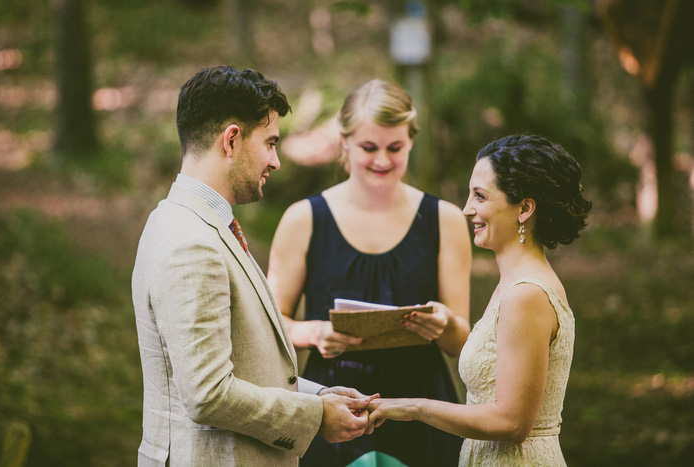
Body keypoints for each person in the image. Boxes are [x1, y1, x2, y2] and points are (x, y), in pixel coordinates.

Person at [131, 66, 377, 467]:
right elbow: (208, 394)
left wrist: (318, 396)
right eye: (270, 143)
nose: (276, 161)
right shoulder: (192, 244)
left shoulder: (185, 219)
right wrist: (315, 418)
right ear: (231, 140)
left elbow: (245, 365)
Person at [267, 79, 472, 467]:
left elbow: (464, 345)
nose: (382, 160)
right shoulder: (304, 219)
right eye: (368, 147)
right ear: (344, 143)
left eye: (395, 148)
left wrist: (444, 324)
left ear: (411, 141)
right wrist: (314, 332)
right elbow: (269, 325)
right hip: (335, 405)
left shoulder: (444, 219)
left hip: (423, 405)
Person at [366, 134, 593, 465]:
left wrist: (413, 407)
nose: (466, 209)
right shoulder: (512, 284)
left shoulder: (526, 294)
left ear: (525, 208)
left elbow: (511, 422)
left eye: (481, 196)